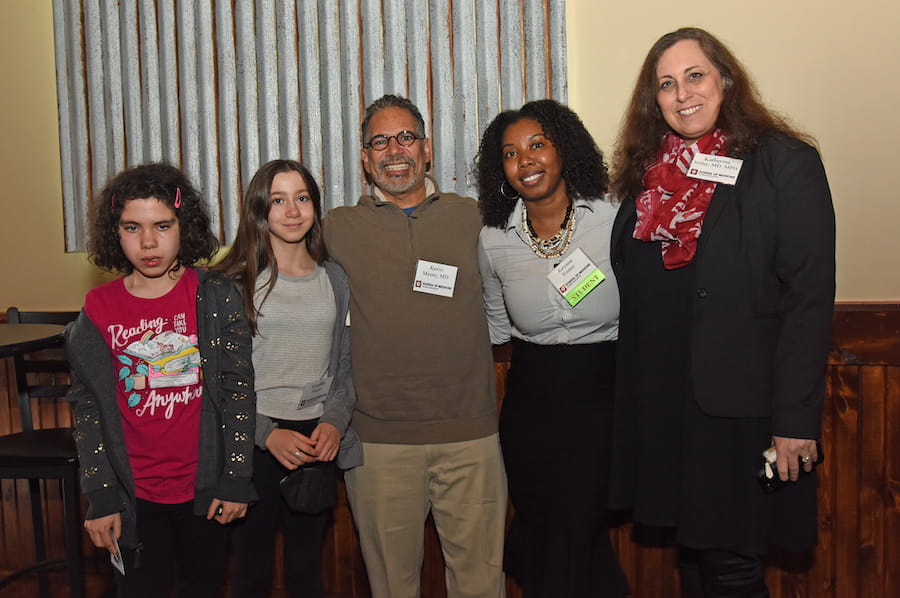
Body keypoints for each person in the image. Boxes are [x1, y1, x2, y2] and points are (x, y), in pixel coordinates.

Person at [608, 27, 835, 597]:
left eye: (695, 75)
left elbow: (807, 303)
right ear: (652, 101)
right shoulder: (645, 181)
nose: (682, 93)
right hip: (668, 411)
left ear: (725, 80)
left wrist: (794, 424)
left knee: (733, 568)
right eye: (666, 83)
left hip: (741, 415)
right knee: (694, 562)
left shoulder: (782, 163)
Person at [323, 94, 507, 598]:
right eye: (379, 141)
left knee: (480, 584)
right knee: (390, 588)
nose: (394, 150)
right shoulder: (335, 229)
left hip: (470, 436)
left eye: (405, 137)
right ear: (365, 158)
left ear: (426, 149)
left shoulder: (475, 217)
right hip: (378, 444)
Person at [65, 163, 257, 597]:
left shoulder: (214, 296)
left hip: (204, 494)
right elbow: (88, 409)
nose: (148, 242)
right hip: (134, 497)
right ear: (114, 232)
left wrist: (235, 478)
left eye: (161, 226)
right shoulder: (97, 308)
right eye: (132, 227)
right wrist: (101, 495)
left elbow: (238, 393)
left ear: (183, 226)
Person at [476, 99, 628, 598]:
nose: (526, 161)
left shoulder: (612, 218)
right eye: (511, 153)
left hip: (602, 400)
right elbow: (498, 328)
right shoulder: (494, 240)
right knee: (547, 522)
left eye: (537, 145)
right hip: (531, 407)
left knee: (578, 524)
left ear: (564, 150)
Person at [214, 159, 361, 598]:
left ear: (315, 207)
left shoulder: (335, 278)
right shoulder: (232, 283)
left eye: (302, 198)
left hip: (315, 439)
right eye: (278, 200)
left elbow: (344, 365)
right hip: (252, 438)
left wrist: (334, 421)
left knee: (306, 569)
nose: (292, 210)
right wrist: (266, 435)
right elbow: (216, 381)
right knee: (250, 570)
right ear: (260, 209)